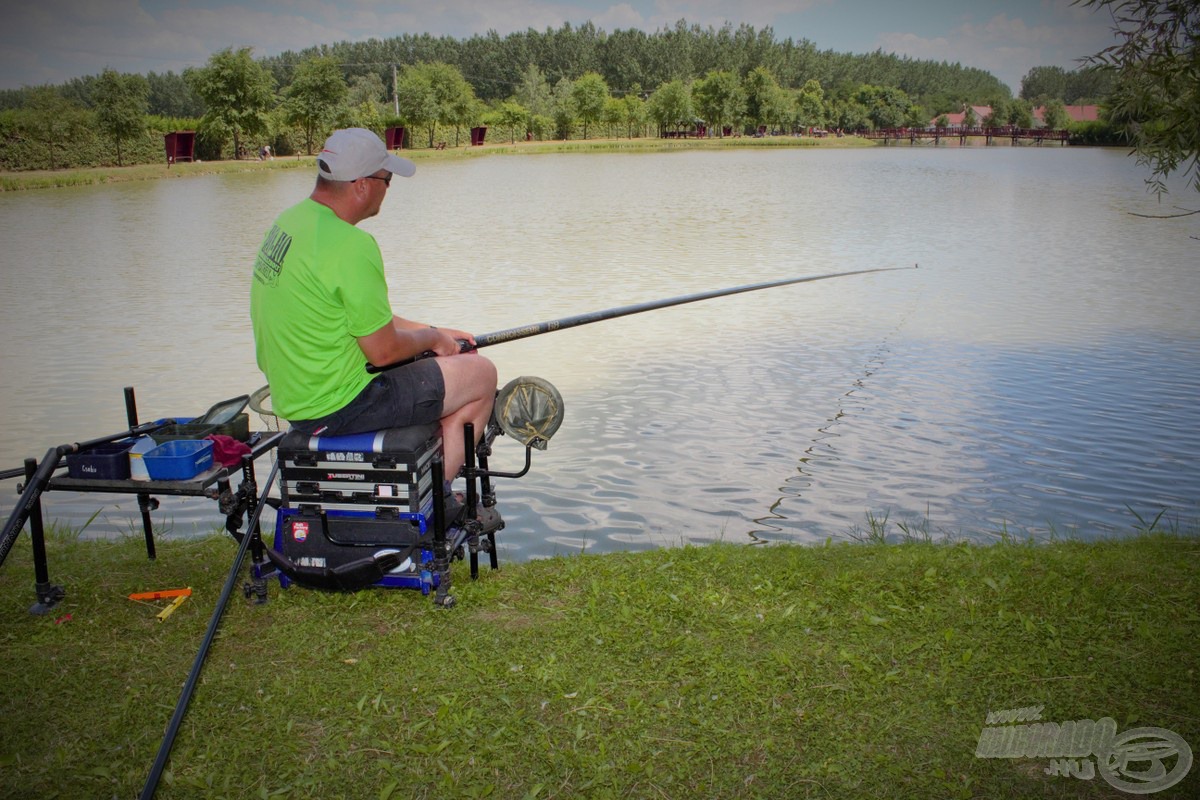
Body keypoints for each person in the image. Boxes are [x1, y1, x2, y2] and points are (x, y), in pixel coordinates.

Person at [250, 127, 498, 520]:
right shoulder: (351, 245)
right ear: (363, 185)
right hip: (342, 404)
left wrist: (438, 332)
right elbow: (382, 352)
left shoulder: (289, 224)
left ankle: (425, 481)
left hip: (295, 397)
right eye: (387, 180)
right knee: (481, 375)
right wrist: (431, 338)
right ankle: (436, 502)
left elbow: (361, 319)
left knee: (448, 367)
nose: (388, 189)